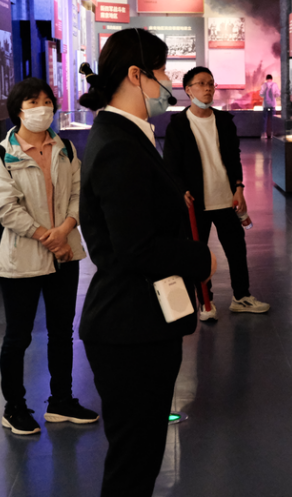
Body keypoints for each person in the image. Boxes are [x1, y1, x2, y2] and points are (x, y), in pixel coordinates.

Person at [77, 28, 215, 496]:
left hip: (142, 323)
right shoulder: (118, 144)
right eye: (162, 72)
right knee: (132, 466)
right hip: (128, 328)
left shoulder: (129, 136)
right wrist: (199, 257)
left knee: (141, 458)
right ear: (136, 75)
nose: (168, 83)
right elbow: (135, 247)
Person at [0, 78, 95, 436]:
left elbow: (79, 194)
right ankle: (14, 407)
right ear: (18, 109)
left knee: (62, 333)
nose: (42, 108)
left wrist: (65, 230)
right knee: (18, 337)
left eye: (47, 101)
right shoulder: (1, 155)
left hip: (66, 253)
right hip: (22, 259)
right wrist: (48, 238)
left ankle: (61, 401)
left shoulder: (65, 149)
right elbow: (4, 206)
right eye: (33, 102)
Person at [164, 66, 270, 321]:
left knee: (236, 250)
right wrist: (180, 190)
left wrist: (239, 188)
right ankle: (205, 302)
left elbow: (234, 158)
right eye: (201, 83)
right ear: (188, 90)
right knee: (198, 254)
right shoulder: (178, 124)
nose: (208, 88)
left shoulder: (224, 121)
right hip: (196, 202)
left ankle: (241, 297)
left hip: (225, 198)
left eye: (211, 83)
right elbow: (171, 164)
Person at [260, 74, 279, 138]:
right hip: (272, 104)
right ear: (271, 79)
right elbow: (278, 94)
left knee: (264, 120)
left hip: (266, 105)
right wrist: (274, 96)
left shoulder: (264, 85)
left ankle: (264, 134)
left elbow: (261, 94)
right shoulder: (275, 84)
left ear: (266, 79)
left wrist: (265, 95)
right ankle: (272, 134)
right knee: (273, 120)